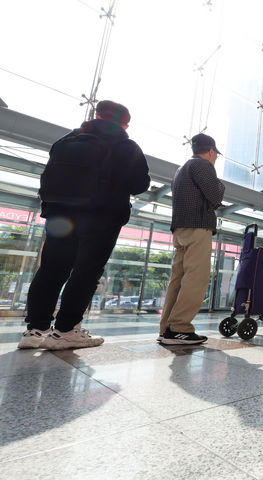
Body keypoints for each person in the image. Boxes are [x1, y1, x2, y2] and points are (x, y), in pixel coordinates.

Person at [19, 100, 150, 350]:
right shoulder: (125, 145)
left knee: (50, 269)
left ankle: (35, 330)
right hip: (101, 216)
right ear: (124, 123)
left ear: (96, 114)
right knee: (86, 272)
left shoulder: (67, 140)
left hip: (60, 215)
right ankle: (66, 330)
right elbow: (139, 184)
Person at [158, 133, 225, 344]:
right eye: (215, 155)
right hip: (197, 227)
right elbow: (215, 195)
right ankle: (180, 327)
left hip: (180, 228)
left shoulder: (181, 169)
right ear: (211, 151)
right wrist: (220, 184)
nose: (215, 159)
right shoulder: (203, 166)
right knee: (196, 277)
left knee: (178, 280)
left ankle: (167, 328)